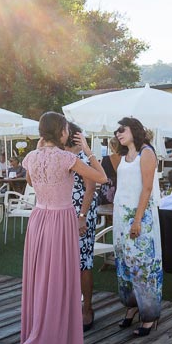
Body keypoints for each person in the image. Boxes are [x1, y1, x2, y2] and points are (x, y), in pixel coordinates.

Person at [14, 112, 107, 344]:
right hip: (61, 218)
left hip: (39, 219)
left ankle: (39, 334)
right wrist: (88, 149)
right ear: (62, 132)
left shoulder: (30, 158)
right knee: (59, 281)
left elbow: (31, 181)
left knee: (40, 278)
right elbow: (100, 178)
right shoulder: (69, 158)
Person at [113, 117, 163, 336]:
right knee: (125, 264)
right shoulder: (124, 156)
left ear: (134, 130)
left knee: (142, 266)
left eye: (121, 129)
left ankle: (150, 315)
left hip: (138, 217)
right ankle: (132, 306)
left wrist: (137, 220)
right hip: (120, 217)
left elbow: (147, 188)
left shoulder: (147, 153)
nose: (118, 133)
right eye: (116, 130)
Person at [65, 122, 100, 331]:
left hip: (81, 212)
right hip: (62, 210)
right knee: (66, 261)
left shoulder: (83, 157)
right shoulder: (61, 155)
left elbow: (91, 187)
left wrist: (82, 216)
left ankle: (87, 308)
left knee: (83, 261)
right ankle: (68, 307)